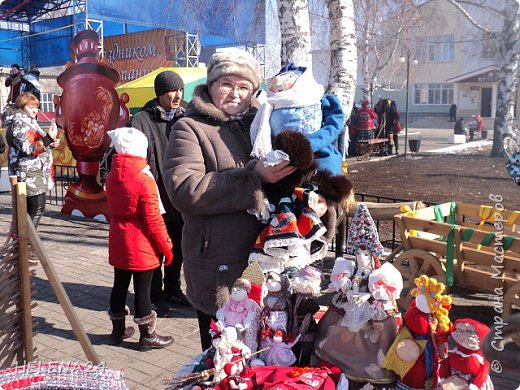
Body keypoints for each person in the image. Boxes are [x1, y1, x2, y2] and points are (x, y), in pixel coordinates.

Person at [161, 48, 297, 351]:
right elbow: (185, 190)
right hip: (218, 266)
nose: (235, 93)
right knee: (222, 360)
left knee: (263, 351)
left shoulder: (263, 127)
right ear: (211, 85)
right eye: (226, 84)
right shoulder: (189, 127)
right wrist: (254, 177)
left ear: (254, 90)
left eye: (244, 86)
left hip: (264, 261)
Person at [105, 127, 174, 351]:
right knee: (142, 291)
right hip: (141, 242)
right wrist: (167, 247)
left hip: (118, 238)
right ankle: (147, 337)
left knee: (119, 285)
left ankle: (117, 331)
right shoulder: (145, 181)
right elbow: (154, 220)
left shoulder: (112, 176)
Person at [131, 70, 189, 317]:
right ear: (160, 93)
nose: (177, 96)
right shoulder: (141, 120)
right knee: (154, 247)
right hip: (155, 195)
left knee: (178, 248)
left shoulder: (188, 116)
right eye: (171, 91)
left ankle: (173, 288)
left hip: (181, 195)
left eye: (180, 90)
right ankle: (154, 295)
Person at [5, 92, 59, 228]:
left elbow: (36, 145)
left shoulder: (29, 121)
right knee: (35, 210)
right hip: (28, 174)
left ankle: (25, 243)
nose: (35, 110)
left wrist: (50, 143)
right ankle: (26, 244)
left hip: (35, 173)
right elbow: (28, 149)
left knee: (33, 211)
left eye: (36, 107)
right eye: (31, 107)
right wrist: (48, 139)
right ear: (22, 107)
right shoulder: (20, 123)